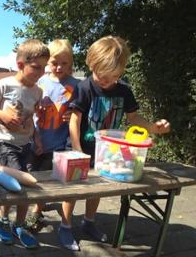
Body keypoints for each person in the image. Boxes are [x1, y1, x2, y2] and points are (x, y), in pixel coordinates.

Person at [62, 36, 170, 251]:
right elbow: (75, 119)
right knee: (73, 189)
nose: (107, 81)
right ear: (91, 64)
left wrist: (153, 127)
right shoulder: (85, 88)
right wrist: (77, 150)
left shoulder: (124, 90)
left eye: (114, 77)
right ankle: (65, 226)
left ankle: (88, 222)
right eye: (102, 76)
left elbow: (133, 119)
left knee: (98, 189)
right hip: (79, 147)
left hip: (107, 151)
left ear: (121, 71)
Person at [0, 39, 50, 249]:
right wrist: (3, 116)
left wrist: (37, 139)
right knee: (18, 181)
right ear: (20, 64)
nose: (41, 72)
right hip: (4, 141)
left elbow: (31, 118)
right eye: (36, 67)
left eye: (43, 67)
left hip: (25, 143)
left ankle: (19, 225)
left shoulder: (37, 92)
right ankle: (2, 218)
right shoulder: (5, 84)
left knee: (25, 185)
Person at [26, 39, 80, 233]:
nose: (59, 67)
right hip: (36, 138)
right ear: (48, 62)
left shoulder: (76, 85)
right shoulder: (40, 81)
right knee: (31, 176)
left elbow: (80, 111)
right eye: (55, 63)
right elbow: (29, 104)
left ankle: (36, 211)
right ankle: (34, 206)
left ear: (70, 64)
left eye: (64, 63)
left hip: (58, 143)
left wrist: (73, 113)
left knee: (45, 181)